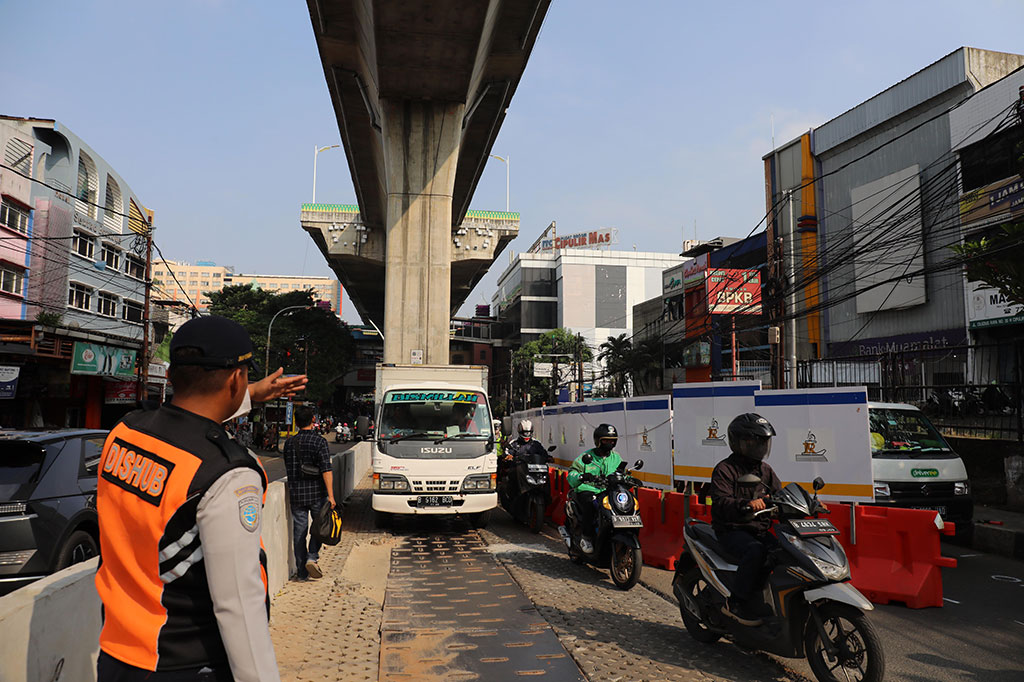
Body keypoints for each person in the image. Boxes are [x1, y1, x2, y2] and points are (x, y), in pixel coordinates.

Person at [95, 315, 304, 682]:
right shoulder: (226, 474)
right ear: (236, 378)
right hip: (186, 665)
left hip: (117, 656)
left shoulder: (126, 431)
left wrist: (251, 395)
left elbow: (185, 418)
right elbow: (238, 604)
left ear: (174, 372)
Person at [709, 412, 783, 627]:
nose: (760, 447)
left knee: (784, 551)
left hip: (759, 530)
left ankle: (764, 599)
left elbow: (780, 494)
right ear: (739, 442)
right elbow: (721, 501)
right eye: (754, 442)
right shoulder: (725, 469)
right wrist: (746, 504)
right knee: (755, 551)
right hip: (732, 531)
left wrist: (808, 504)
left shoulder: (765, 470)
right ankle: (737, 603)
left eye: (763, 442)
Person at [283, 406, 335, 580]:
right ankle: (312, 556)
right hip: (316, 493)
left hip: (296, 494)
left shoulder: (289, 443)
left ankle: (301, 572)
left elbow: (289, 468)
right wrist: (331, 495)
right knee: (319, 528)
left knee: (299, 531)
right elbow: (326, 470)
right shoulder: (319, 442)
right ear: (313, 420)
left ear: (296, 422)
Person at [567, 423, 622, 554]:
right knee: (590, 503)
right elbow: (572, 474)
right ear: (598, 441)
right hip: (589, 490)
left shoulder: (616, 457)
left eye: (612, 441)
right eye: (606, 440)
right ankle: (586, 537)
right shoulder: (585, 457)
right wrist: (582, 476)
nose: (609, 443)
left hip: (608, 492)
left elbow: (622, 472)